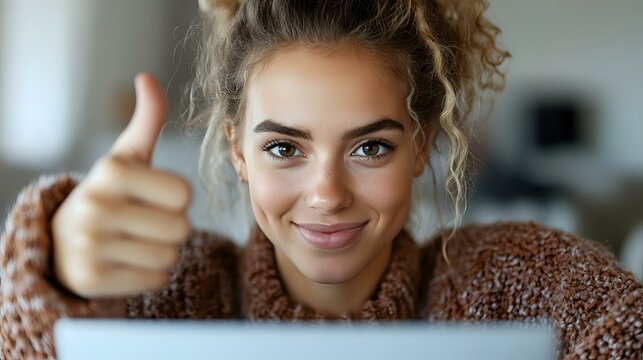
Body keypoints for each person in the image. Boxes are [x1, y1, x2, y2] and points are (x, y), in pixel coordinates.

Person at [1, 0, 641, 359]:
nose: (327, 194)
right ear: (238, 152)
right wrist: (51, 271)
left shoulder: (518, 280)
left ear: (420, 147)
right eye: (284, 147)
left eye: (370, 146)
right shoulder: (166, 293)